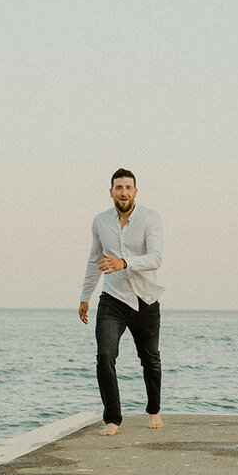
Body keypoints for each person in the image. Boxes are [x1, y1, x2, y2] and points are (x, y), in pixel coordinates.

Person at [79, 168, 165, 436]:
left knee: (149, 358)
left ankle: (153, 410)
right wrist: (85, 297)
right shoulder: (100, 222)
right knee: (105, 355)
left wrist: (125, 262)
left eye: (128, 188)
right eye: (119, 188)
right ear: (111, 192)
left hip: (145, 299)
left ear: (135, 192)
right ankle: (112, 419)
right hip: (113, 299)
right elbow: (95, 260)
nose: (124, 192)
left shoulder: (151, 218)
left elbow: (156, 258)